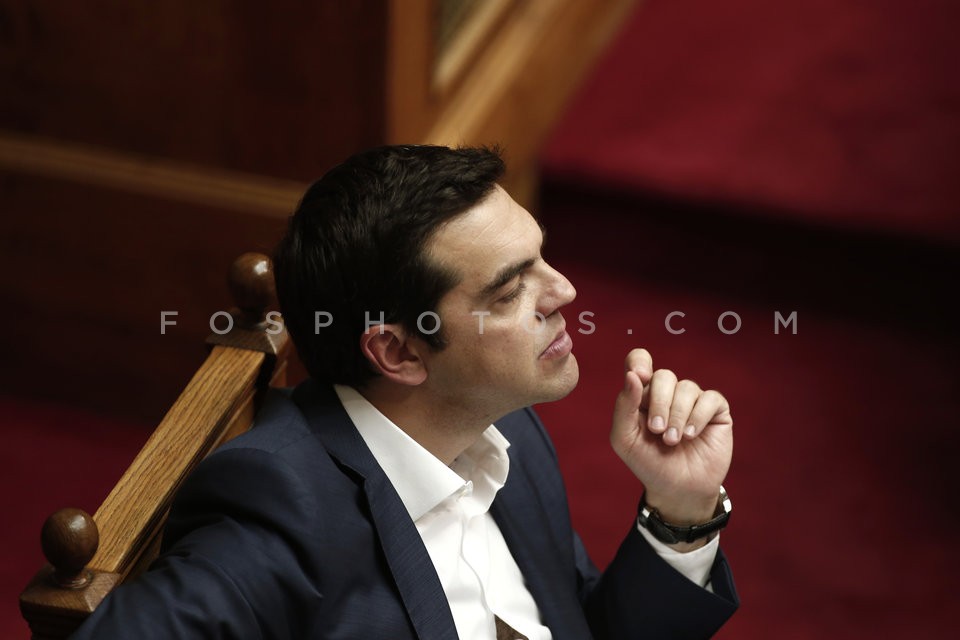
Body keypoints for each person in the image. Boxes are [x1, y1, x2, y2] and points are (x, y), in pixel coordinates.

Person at [72, 145, 738, 639]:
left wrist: (681, 512)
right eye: (510, 291)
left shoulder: (506, 429)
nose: (563, 291)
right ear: (399, 352)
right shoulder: (282, 513)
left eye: (542, 257)